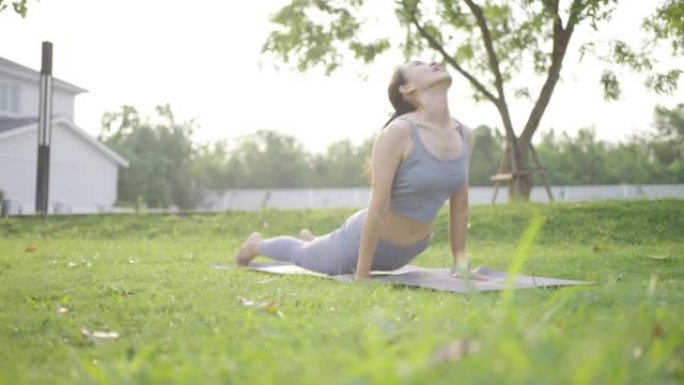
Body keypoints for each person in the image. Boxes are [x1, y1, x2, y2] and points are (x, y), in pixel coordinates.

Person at [235, 60, 473, 279]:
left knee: (317, 248)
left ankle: (319, 242)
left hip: (412, 248)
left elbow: (460, 205)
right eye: (419, 64)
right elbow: (378, 207)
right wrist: (362, 274)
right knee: (304, 254)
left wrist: (460, 266)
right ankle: (258, 244)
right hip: (358, 244)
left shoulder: (464, 134)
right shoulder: (398, 132)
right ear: (406, 88)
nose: (434, 62)